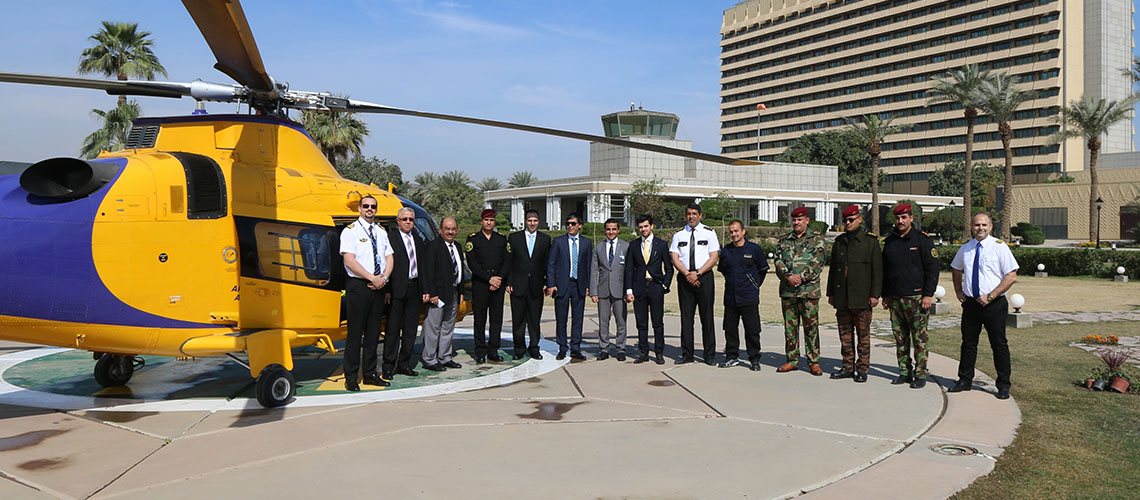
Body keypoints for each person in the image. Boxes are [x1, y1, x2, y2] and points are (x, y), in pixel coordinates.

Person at [950, 212, 1019, 400]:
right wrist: (958, 291)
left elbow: (1011, 276)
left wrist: (991, 296)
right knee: (968, 344)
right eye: (977, 225)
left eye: (984, 225)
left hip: (994, 305)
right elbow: (956, 268)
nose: (980, 228)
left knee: (999, 344)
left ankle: (1003, 385)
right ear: (972, 227)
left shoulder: (999, 247)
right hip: (971, 304)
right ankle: (964, 380)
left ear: (990, 227)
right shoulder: (966, 248)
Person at [880, 203, 940, 389]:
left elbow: (933, 269)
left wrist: (928, 294)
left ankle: (920, 374)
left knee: (919, 338)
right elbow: (885, 270)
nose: (900, 221)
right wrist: (885, 295)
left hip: (917, 298)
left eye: (904, 217)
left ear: (911, 218)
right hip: (895, 298)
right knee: (900, 338)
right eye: (898, 218)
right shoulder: (890, 241)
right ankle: (904, 372)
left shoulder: (922, 240)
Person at [339, 195, 394, 391]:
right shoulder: (350, 231)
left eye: (373, 206)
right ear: (359, 209)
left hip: (379, 286)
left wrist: (384, 278)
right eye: (366, 206)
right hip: (359, 286)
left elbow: (389, 257)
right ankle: (351, 377)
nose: (369, 209)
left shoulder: (381, 232)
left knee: (373, 333)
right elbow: (349, 261)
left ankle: (370, 374)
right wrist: (371, 278)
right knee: (355, 334)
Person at [826, 205, 882, 383]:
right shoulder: (840, 241)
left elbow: (877, 271)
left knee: (863, 336)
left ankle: (863, 368)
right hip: (843, 297)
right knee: (845, 334)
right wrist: (831, 293)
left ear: (860, 219)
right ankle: (847, 367)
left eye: (851, 220)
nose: (848, 223)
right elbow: (833, 270)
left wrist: (875, 295)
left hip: (862, 297)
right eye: (845, 220)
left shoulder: (870, 242)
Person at [774, 206, 826, 376]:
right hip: (788, 291)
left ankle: (814, 362)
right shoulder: (784, 240)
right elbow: (778, 261)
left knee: (811, 328)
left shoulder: (816, 240)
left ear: (807, 220)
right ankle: (792, 360)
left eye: (800, 219)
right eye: (794, 220)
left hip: (808, 292)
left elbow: (817, 263)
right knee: (790, 328)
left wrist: (801, 278)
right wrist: (788, 276)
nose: (796, 223)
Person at [669, 203, 721, 365]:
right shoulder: (679, 234)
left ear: (700, 215)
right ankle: (687, 354)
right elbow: (674, 256)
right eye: (688, 214)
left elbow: (714, 256)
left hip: (704, 278)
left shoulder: (709, 233)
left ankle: (709, 355)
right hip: (685, 278)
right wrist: (687, 274)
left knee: (707, 317)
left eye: (694, 214)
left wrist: (698, 273)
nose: (691, 217)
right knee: (686, 318)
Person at [382, 207, 428, 380]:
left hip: (414, 289)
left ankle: (404, 364)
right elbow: (384, 263)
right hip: (396, 289)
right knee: (393, 330)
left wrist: (425, 290)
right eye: (405, 219)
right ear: (398, 221)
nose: (408, 222)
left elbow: (423, 266)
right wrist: (386, 289)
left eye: (411, 219)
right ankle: (388, 366)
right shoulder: (390, 238)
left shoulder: (417, 238)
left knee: (410, 330)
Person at [716, 220, 769, 371]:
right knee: (730, 329)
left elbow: (763, 270)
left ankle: (754, 359)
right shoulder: (726, 250)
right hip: (731, 296)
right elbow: (724, 270)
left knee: (752, 329)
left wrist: (754, 285)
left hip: (748, 296)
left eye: (736, 231)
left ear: (743, 231)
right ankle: (732, 356)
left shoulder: (754, 249)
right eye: (731, 232)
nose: (734, 234)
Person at [624, 215, 673, 365]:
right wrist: (629, 290)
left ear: (651, 226)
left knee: (657, 322)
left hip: (656, 287)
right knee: (641, 323)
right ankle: (643, 352)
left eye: (646, 226)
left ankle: (659, 353)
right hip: (639, 287)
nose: (643, 229)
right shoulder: (633, 245)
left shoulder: (661, 244)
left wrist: (664, 285)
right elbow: (629, 269)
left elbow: (669, 268)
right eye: (640, 227)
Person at [421, 217, 466, 372]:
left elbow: (460, 270)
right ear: (440, 230)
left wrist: (461, 291)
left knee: (448, 327)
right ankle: (430, 359)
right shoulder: (432, 246)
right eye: (447, 229)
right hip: (437, 295)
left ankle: (445, 357)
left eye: (453, 229)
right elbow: (428, 271)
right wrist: (432, 293)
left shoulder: (457, 246)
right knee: (433, 327)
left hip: (453, 293)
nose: (450, 232)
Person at [465, 208, 510, 364]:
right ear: (481, 221)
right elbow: (472, 263)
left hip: (498, 284)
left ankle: (493, 350)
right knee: (480, 319)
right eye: (486, 220)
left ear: (494, 222)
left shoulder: (501, 239)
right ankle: (480, 351)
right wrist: (489, 279)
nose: (489, 223)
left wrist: (499, 278)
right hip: (481, 284)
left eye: (491, 220)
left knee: (496, 319)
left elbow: (507, 261)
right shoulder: (473, 239)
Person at [506, 209, 551, 360]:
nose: (532, 223)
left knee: (534, 320)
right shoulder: (514, 238)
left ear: (539, 222)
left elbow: (547, 263)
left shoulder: (545, 239)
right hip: (518, 285)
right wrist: (509, 281)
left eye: (535, 221)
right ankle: (519, 349)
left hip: (536, 286)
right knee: (518, 320)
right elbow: (509, 261)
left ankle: (534, 348)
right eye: (530, 220)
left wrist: (546, 282)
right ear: (525, 221)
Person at [547, 213, 592, 360]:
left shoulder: (586, 242)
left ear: (580, 225)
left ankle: (575, 348)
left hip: (579, 285)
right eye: (568, 223)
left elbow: (588, 265)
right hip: (562, 285)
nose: (570, 226)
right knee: (561, 318)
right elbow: (551, 264)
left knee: (578, 318)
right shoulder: (558, 242)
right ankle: (562, 347)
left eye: (573, 223)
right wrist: (551, 284)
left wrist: (588, 286)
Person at [590, 218, 630, 361]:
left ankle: (621, 348)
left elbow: (629, 271)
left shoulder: (626, 246)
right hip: (603, 290)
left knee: (621, 321)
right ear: (605, 231)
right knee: (603, 321)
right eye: (608, 229)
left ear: (618, 230)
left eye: (613, 229)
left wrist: (628, 291)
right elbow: (594, 271)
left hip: (620, 290)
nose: (611, 232)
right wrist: (593, 291)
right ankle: (604, 348)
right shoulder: (598, 248)